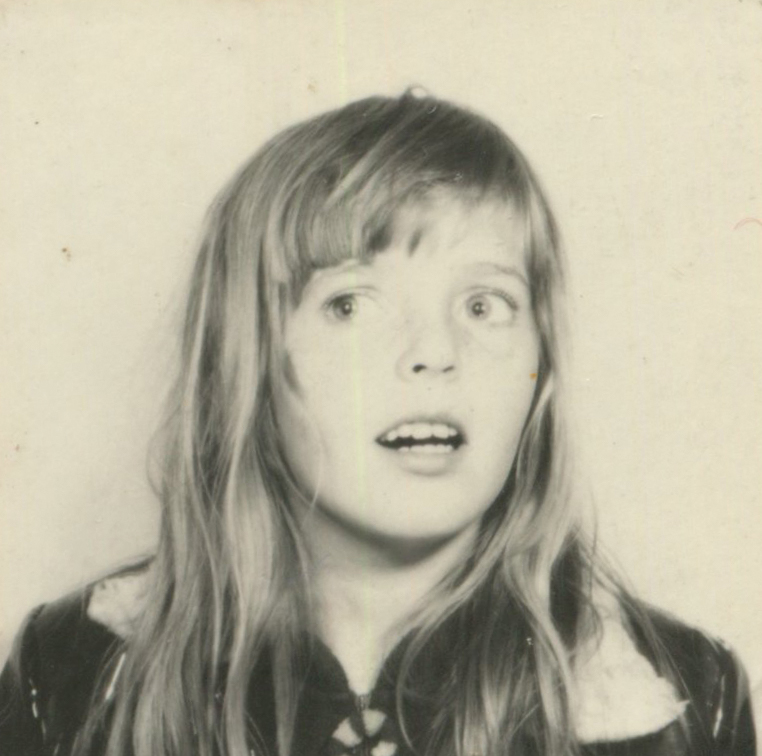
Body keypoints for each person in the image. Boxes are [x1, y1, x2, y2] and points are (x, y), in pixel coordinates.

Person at [0, 91, 755, 756]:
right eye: (351, 304)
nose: (435, 352)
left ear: (541, 366)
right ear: (247, 359)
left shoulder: (683, 700)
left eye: (484, 305)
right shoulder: (71, 672)